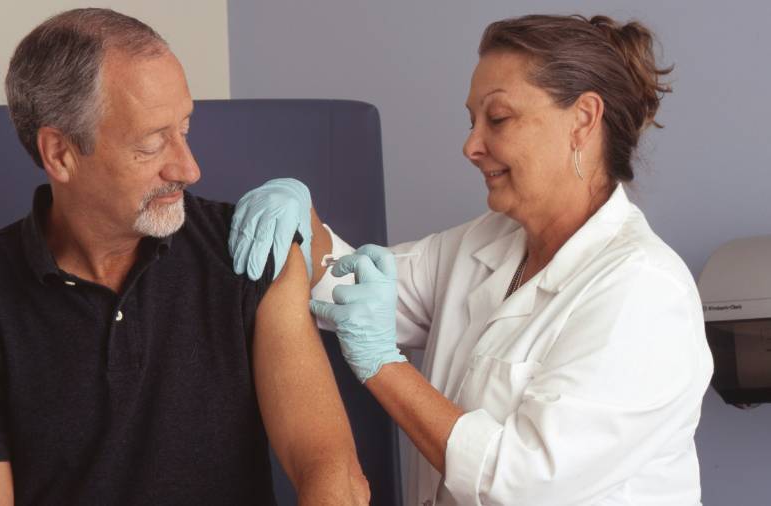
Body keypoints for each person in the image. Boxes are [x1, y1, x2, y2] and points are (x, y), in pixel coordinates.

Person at [229, 14, 714, 506]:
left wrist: (383, 365)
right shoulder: (484, 244)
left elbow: (522, 483)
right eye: (471, 120)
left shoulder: (645, 292)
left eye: (497, 119)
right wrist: (299, 217)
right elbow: (348, 284)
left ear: (583, 120)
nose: (470, 145)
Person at [0, 8, 369, 506]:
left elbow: (332, 471)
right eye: (152, 144)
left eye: (185, 129)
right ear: (60, 154)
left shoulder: (249, 251)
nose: (189, 169)